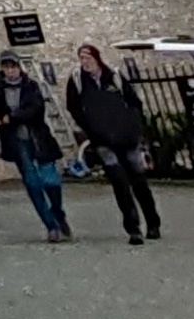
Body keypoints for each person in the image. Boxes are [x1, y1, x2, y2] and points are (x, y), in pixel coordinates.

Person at [65, 43, 164, 245]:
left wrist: (132, 125)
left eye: (88, 58)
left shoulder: (114, 76)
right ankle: (133, 228)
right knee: (119, 183)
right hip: (102, 139)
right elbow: (73, 107)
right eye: (81, 58)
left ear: (96, 58)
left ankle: (153, 222)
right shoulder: (77, 81)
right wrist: (90, 127)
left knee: (139, 181)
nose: (85, 62)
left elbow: (134, 102)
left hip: (127, 137)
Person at [0, 55, 72, 241]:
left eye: (13, 66)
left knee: (51, 182)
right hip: (18, 142)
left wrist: (12, 117)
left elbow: (36, 110)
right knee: (33, 184)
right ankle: (51, 226)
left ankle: (57, 212)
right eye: (7, 67)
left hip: (39, 139)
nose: (11, 71)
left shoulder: (31, 86)